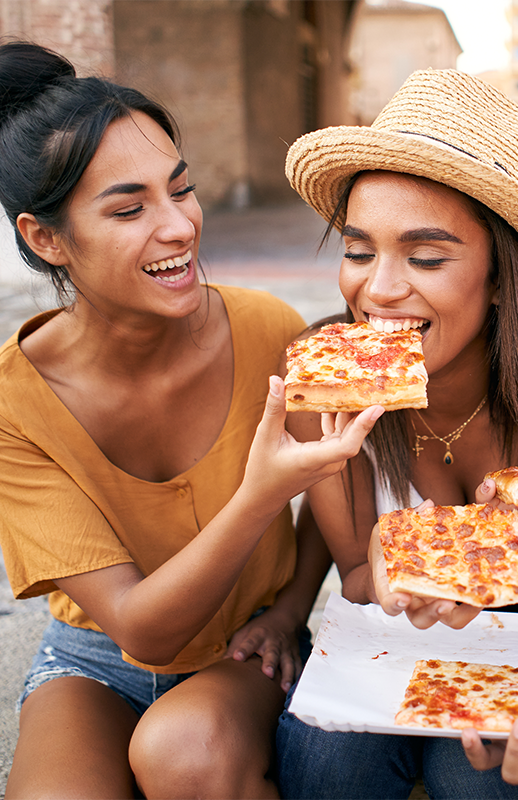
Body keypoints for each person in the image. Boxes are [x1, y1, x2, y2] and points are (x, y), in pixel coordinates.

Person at [0, 41, 385, 800]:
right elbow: (142, 631)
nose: (178, 227)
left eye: (183, 190)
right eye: (129, 208)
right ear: (45, 238)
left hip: (241, 652)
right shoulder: (15, 399)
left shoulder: (269, 331)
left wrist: (286, 613)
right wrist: (260, 493)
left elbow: (331, 493)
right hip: (95, 656)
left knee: (188, 752)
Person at [276, 68, 518, 799]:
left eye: (425, 257)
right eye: (359, 251)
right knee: (330, 760)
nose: (379, 290)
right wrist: (388, 574)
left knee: (481, 773)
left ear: (498, 277)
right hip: (389, 641)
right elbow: (356, 579)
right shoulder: (321, 384)